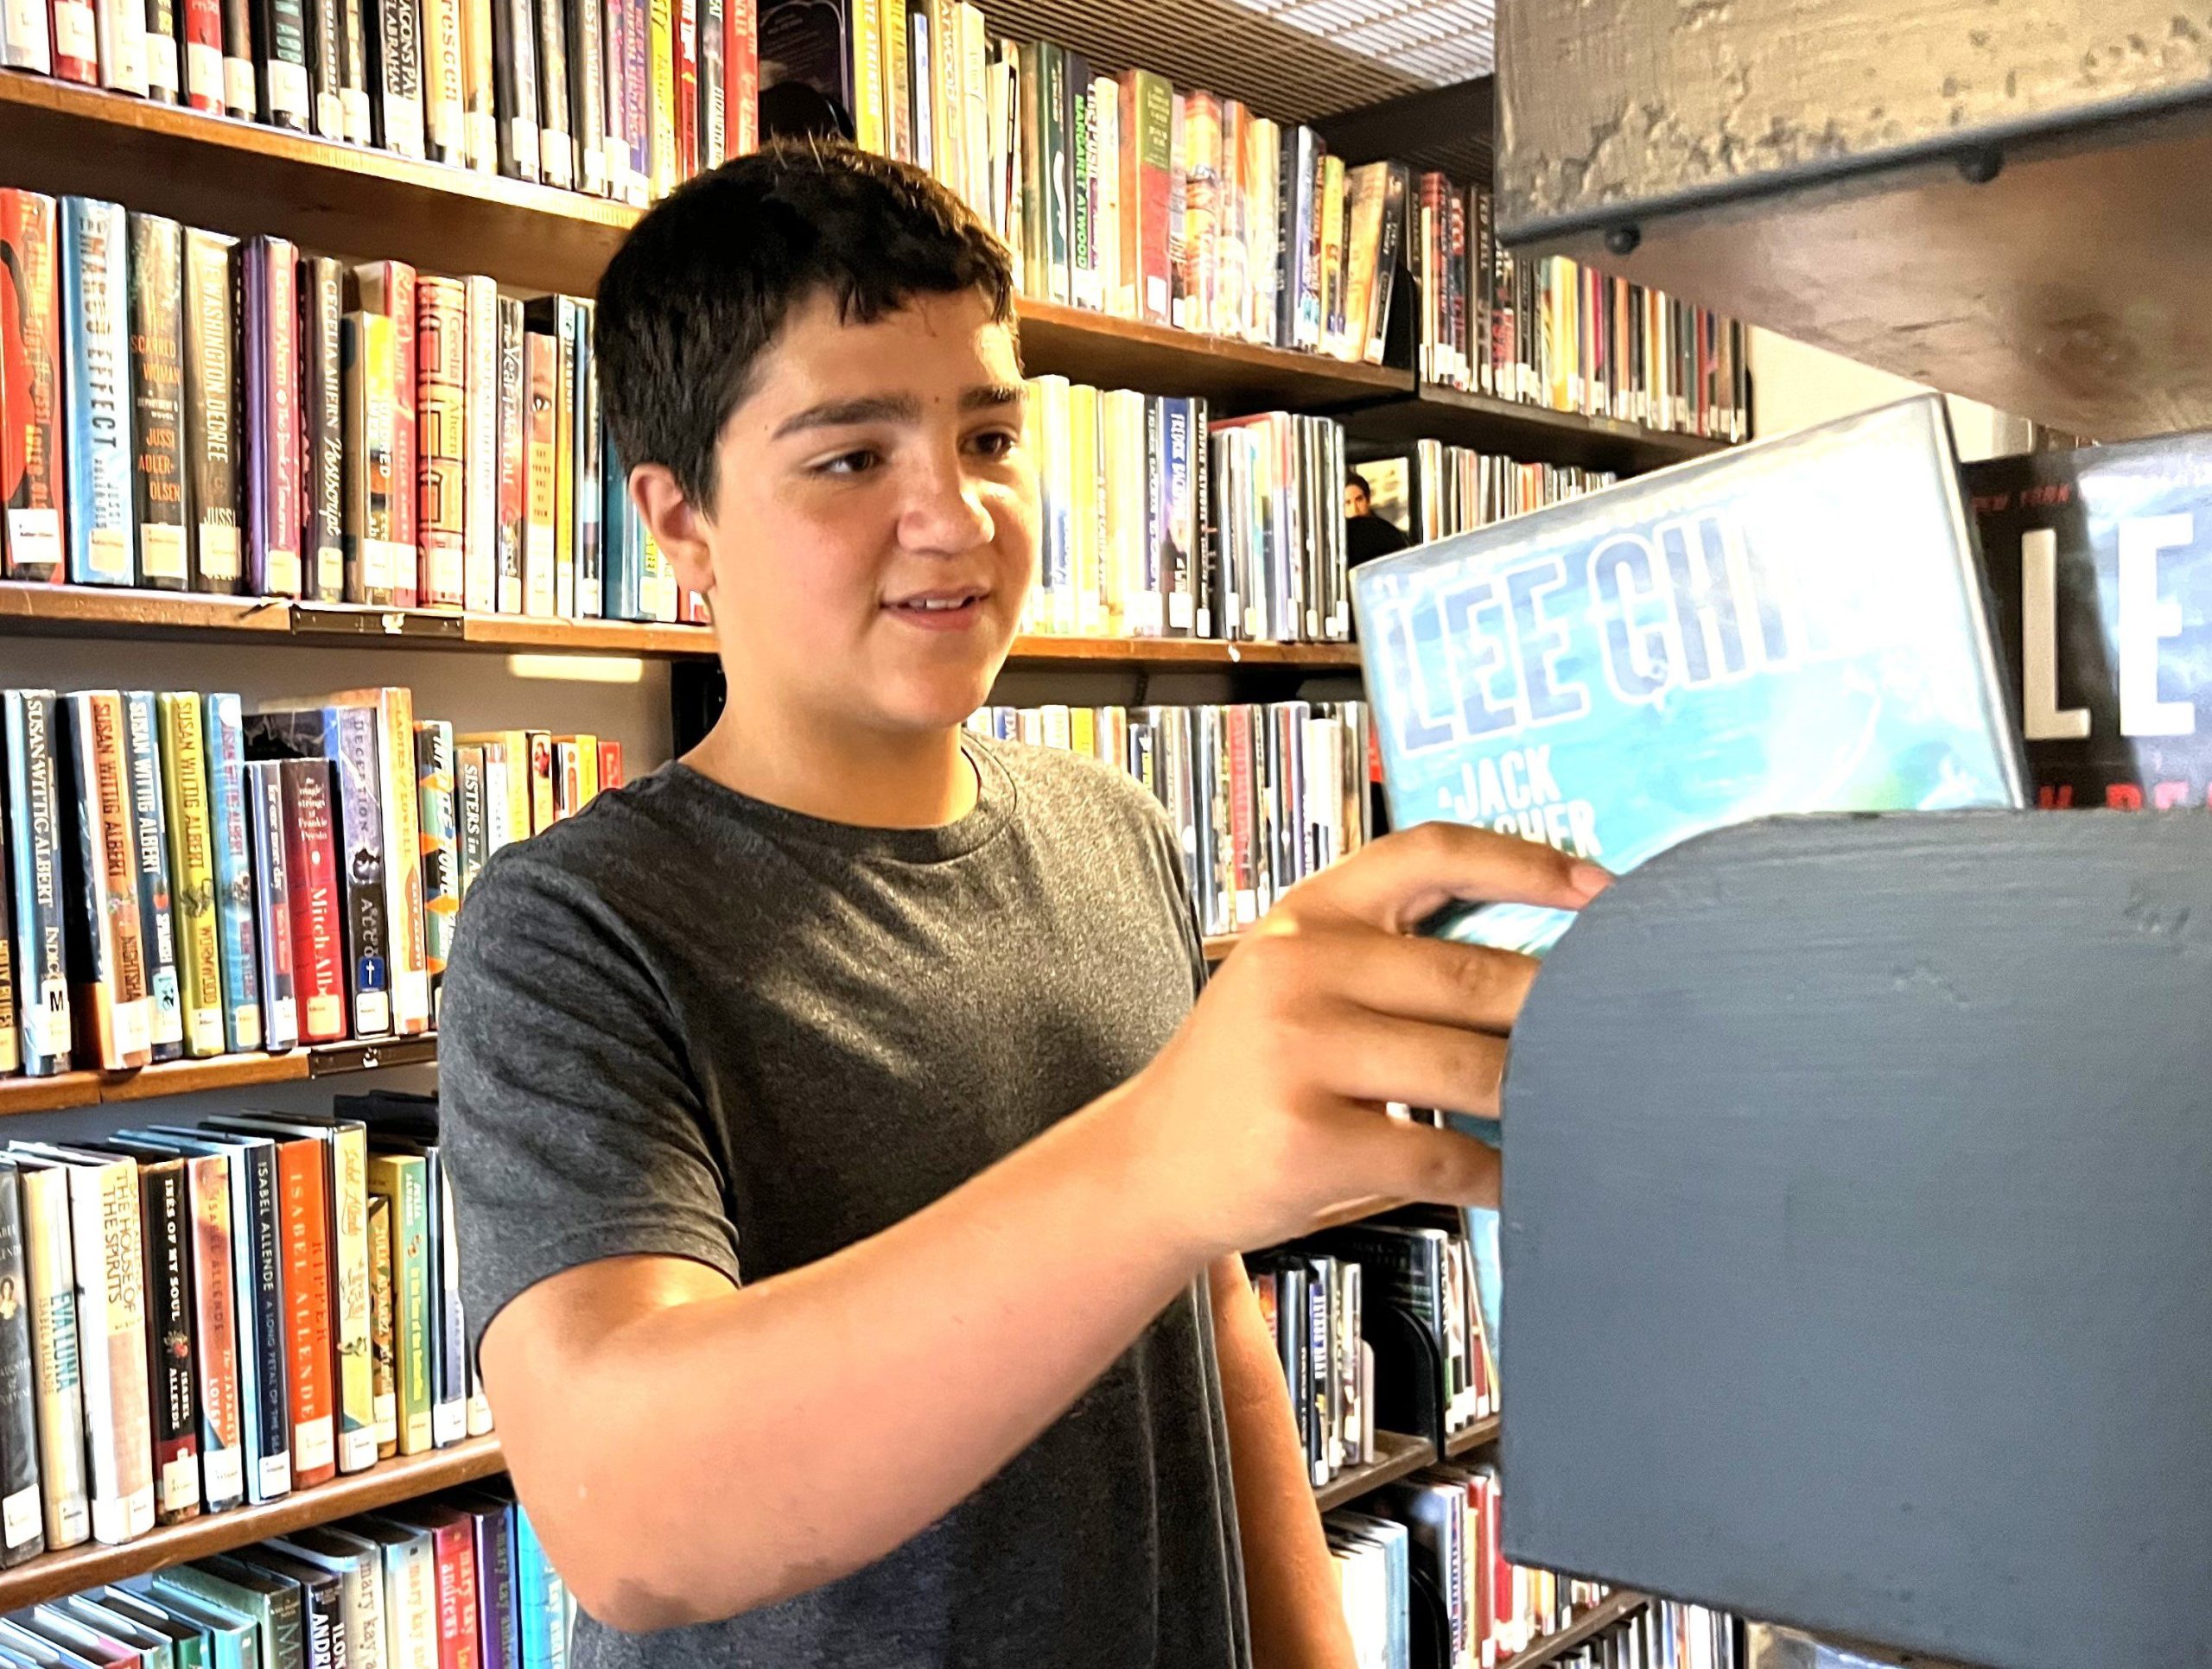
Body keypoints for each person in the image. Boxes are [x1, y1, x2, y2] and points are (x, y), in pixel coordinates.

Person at [439, 142, 1607, 1669]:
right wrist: (1162, 1155)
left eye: (988, 436)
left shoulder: (1115, 829)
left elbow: (1210, 1324)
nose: (956, 513)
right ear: (681, 522)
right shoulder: (570, 928)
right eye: (852, 460)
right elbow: (632, 1517)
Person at [1344, 469, 1408, 567]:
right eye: (1348, 502)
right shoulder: (1339, 539)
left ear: (1368, 500)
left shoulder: (1386, 533)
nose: (1354, 508)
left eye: (1359, 500)